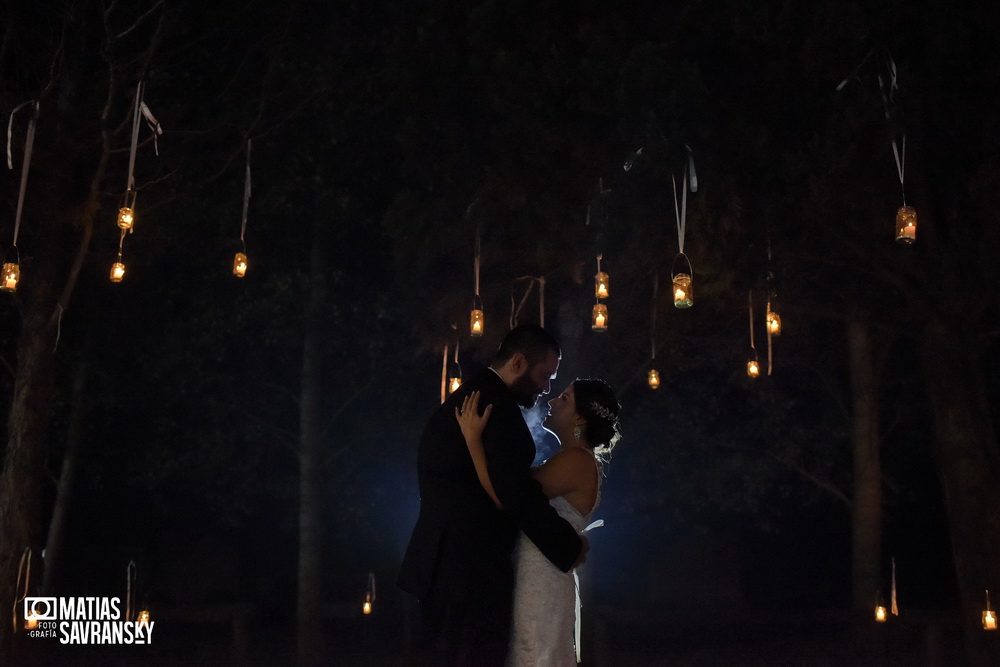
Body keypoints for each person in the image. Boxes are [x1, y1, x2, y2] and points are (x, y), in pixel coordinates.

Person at [397, 324, 588, 667]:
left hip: (444, 567)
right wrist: (568, 546)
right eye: (545, 375)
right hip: (468, 576)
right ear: (518, 363)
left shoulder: (474, 396)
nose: (547, 388)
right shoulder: (495, 409)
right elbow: (516, 496)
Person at [456, 378, 621, 666]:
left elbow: (507, 497)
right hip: (537, 575)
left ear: (580, 417)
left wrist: (473, 441)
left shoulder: (576, 460)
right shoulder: (573, 459)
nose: (552, 401)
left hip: (540, 579)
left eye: (564, 399)